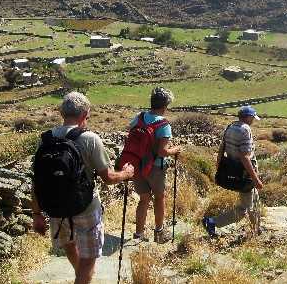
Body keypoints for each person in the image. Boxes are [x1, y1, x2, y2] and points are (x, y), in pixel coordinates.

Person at [32, 92, 134, 284]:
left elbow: (37, 181)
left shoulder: (46, 139)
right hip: (86, 206)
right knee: (89, 260)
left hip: (56, 207)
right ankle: (82, 279)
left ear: (62, 113)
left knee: (69, 245)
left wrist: (36, 214)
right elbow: (109, 178)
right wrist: (127, 174)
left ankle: (82, 278)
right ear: (85, 114)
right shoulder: (90, 139)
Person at [130, 87, 182, 243]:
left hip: (137, 165)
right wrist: (175, 150)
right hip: (155, 168)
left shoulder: (139, 117)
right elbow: (162, 152)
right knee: (159, 198)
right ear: (165, 105)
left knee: (143, 199)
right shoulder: (163, 124)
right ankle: (159, 233)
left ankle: (139, 234)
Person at [202, 105, 264, 237]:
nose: (253, 120)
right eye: (253, 117)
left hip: (233, 170)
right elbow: (245, 156)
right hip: (244, 173)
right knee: (244, 209)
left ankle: (256, 229)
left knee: (253, 201)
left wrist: (218, 170)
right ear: (247, 117)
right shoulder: (245, 129)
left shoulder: (230, 126)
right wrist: (255, 179)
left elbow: (221, 149)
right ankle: (212, 222)